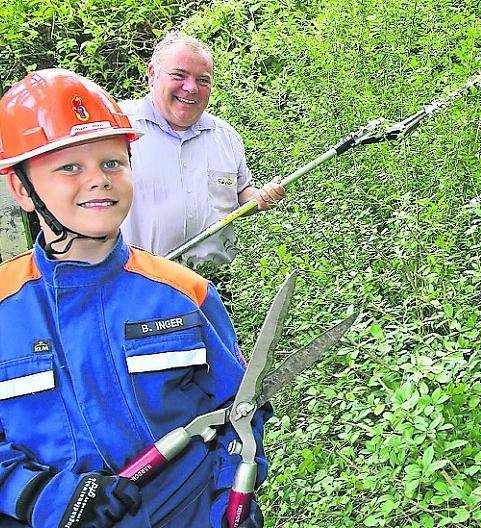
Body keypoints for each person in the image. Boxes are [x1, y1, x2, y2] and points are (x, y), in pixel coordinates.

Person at [0, 70, 267, 527]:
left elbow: (239, 409)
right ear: (23, 189)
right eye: (69, 167)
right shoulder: (7, 308)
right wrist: (44, 497)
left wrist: (231, 503)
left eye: (111, 163)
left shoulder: (183, 292)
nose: (99, 180)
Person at [120, 31, 286, 269]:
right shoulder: (117, 129)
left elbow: (241, 194)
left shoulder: (226, 137)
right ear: (152, 74)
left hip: (213, 283)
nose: (191, 88)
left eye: (203, 80)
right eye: (179, 75)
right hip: (139, 282)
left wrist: (259, 198)